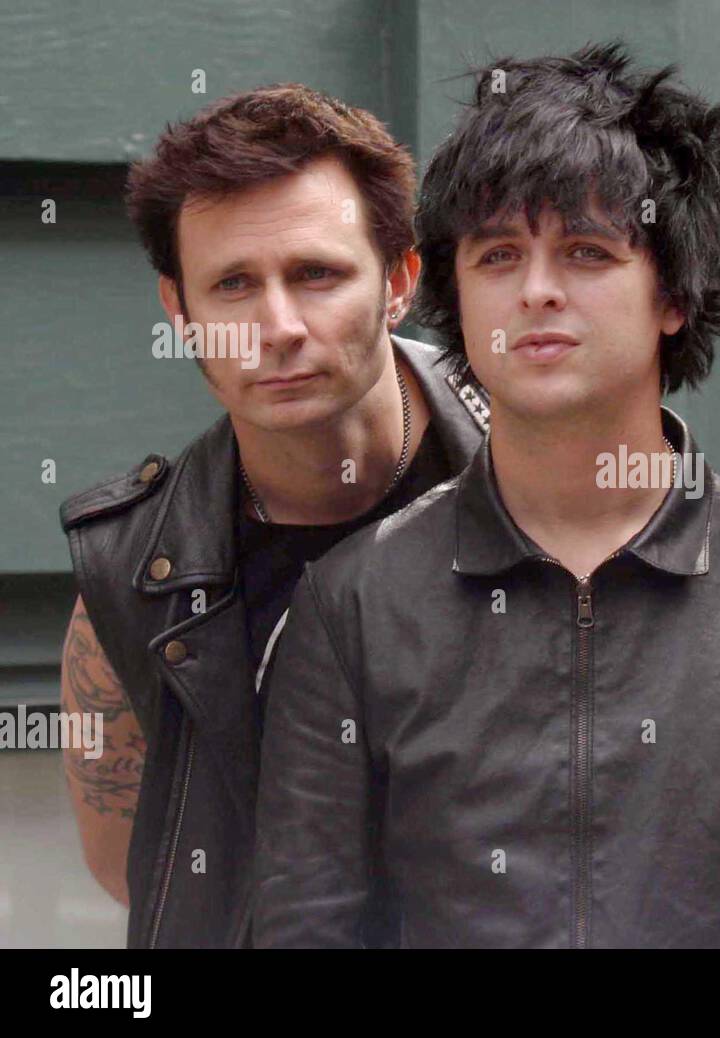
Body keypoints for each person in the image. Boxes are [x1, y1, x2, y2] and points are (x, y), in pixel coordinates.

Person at [253, 44, 720, 948]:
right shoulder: (356, 604)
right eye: (497, 255)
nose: (535, 292)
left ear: (672, 296)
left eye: (585, 251)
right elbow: (308, 930)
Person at [57, 83, 489, 947]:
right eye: (233, 286)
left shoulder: (537, 467)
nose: (277, 326)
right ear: (181, 312)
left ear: (401, 278)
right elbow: (133, 863)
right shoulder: (131, 580)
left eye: (316, 273)